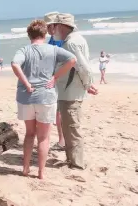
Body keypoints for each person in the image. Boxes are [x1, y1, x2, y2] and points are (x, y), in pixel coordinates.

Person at [10, 19, 77, 180]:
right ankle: (41, 172)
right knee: (43, 137)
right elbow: (72, 60)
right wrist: (55, 77)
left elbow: (14, 64)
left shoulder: (24, 50)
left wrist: (26, 83)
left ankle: (25, 169)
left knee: (29, 134)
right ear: (45, 34)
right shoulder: (53, 49)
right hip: (46, 97)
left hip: (26, 97)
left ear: (29, 35)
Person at [49, 13, 98, 170]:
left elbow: (82, 66)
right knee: (68, 126)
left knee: (72, 128)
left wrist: (87, 84)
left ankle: (77, 163)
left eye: (55, 25)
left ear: (62, 26)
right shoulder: (75, 39)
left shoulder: (71, 43)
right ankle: (72, 160)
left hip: (71, 92)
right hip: (69, 90)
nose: (53, 29)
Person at [44, 12, 66, 152]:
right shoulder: (53, 38)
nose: (46, 29)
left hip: (60, 78)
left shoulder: (61, 39)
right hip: (55, 78)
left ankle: (63, 140)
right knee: (58, 111)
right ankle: (62, 139)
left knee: (60, 111)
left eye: (48, 26)